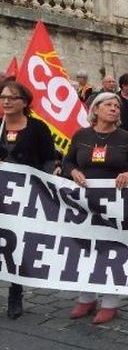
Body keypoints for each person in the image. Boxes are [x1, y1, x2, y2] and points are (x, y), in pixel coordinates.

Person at [62, 92, 128, 324]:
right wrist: (73, 171)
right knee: (85, 250)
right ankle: (86, 298)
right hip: (85, 204)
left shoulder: (126, 137)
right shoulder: (81, 135)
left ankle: (110, 302)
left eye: (117, 106)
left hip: (115, 205)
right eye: (108, 105)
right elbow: (68, 160)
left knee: (110, 251)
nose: (114, 108)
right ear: (95, 110)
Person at [0, 80, 59, 319]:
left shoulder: (37, 128)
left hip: (24, 196)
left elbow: (48, 158)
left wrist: (50, 175)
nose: (6, 101)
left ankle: (16, 292)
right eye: (3, 97)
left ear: (24, 102)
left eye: (11, 98)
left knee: (16, 244)